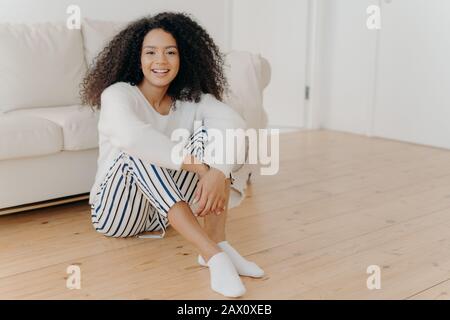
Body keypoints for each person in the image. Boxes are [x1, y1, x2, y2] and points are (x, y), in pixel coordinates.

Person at [81, 12, 264, 298]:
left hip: (162, 214)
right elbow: (132, 137)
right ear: (136, 58)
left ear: (184, 58)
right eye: (150, 52)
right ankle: (214, 255)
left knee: (219, 137)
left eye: (170, 52)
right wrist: (202, 169)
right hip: (115, 214)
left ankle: (219, 243)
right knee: (136, 151)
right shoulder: (118, 95)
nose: (161, 61)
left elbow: (234, 125)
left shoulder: (191, 99)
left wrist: (217, 170)